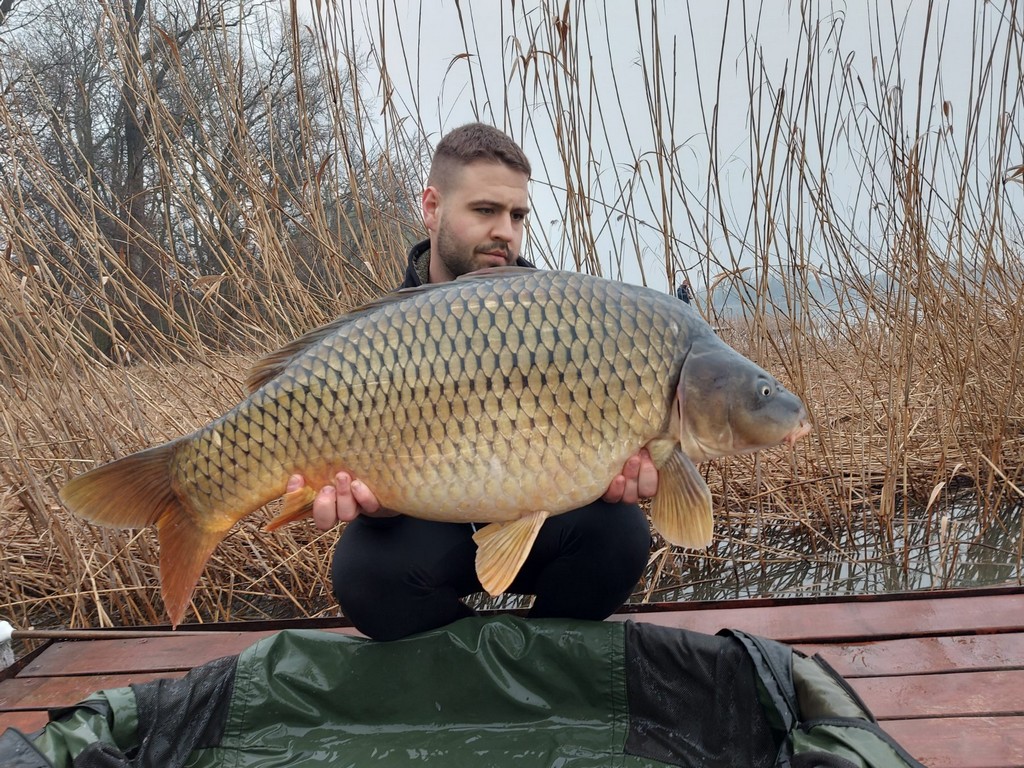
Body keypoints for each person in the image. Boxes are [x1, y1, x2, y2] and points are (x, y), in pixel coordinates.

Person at [287, 123, 657, 641]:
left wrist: (620, 467)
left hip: (544, 517)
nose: (505, 231)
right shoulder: (381, 335)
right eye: (485, 210)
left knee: (621, 534)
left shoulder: (560, 319)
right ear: (432, 208)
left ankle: (539, 661)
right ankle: (465, 666)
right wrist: (380, 499)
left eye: (517, 215)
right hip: (428, 526)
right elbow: (375, 478)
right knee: (363, 573)